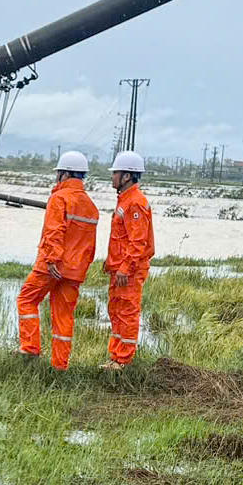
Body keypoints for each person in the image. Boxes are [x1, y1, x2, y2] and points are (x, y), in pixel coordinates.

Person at [16, 151, 100, 368]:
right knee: (63, 316)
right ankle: (60, 365)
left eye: (58, 173)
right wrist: (80, 268)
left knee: (27, 300)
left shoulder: (59, 198)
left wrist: (52, 259)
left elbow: (55, 231)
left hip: (52, 265)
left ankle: (29, 349)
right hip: (74, 271)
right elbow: (89, 245)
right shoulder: (91, 206)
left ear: (64, 174)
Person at [104, 150, 156, 370]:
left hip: (130, 271)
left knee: (127, 312)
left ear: (126, 176)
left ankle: (123, 360)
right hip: (120, 269)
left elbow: (138, 242)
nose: (112, 177)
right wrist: (111, 263)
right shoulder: (125, 200)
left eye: (116, 173)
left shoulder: (135, 203)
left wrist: (125, 268)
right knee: (116, 310)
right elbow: (121, 238)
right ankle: (116, 356)